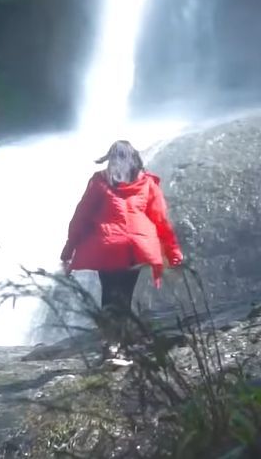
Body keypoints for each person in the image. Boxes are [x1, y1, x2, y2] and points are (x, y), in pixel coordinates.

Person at [60, 140, 183, 365]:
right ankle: (119, 348)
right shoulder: (147, 184)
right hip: (135, 249)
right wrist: (173, 253)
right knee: (124, 298)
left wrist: (68, 250)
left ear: (111, 159)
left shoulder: (100, 182)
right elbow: (161, 221)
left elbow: (81, 217)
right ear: (135, 158)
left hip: (107, 246)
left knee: (109, 295)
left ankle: (111, 347)